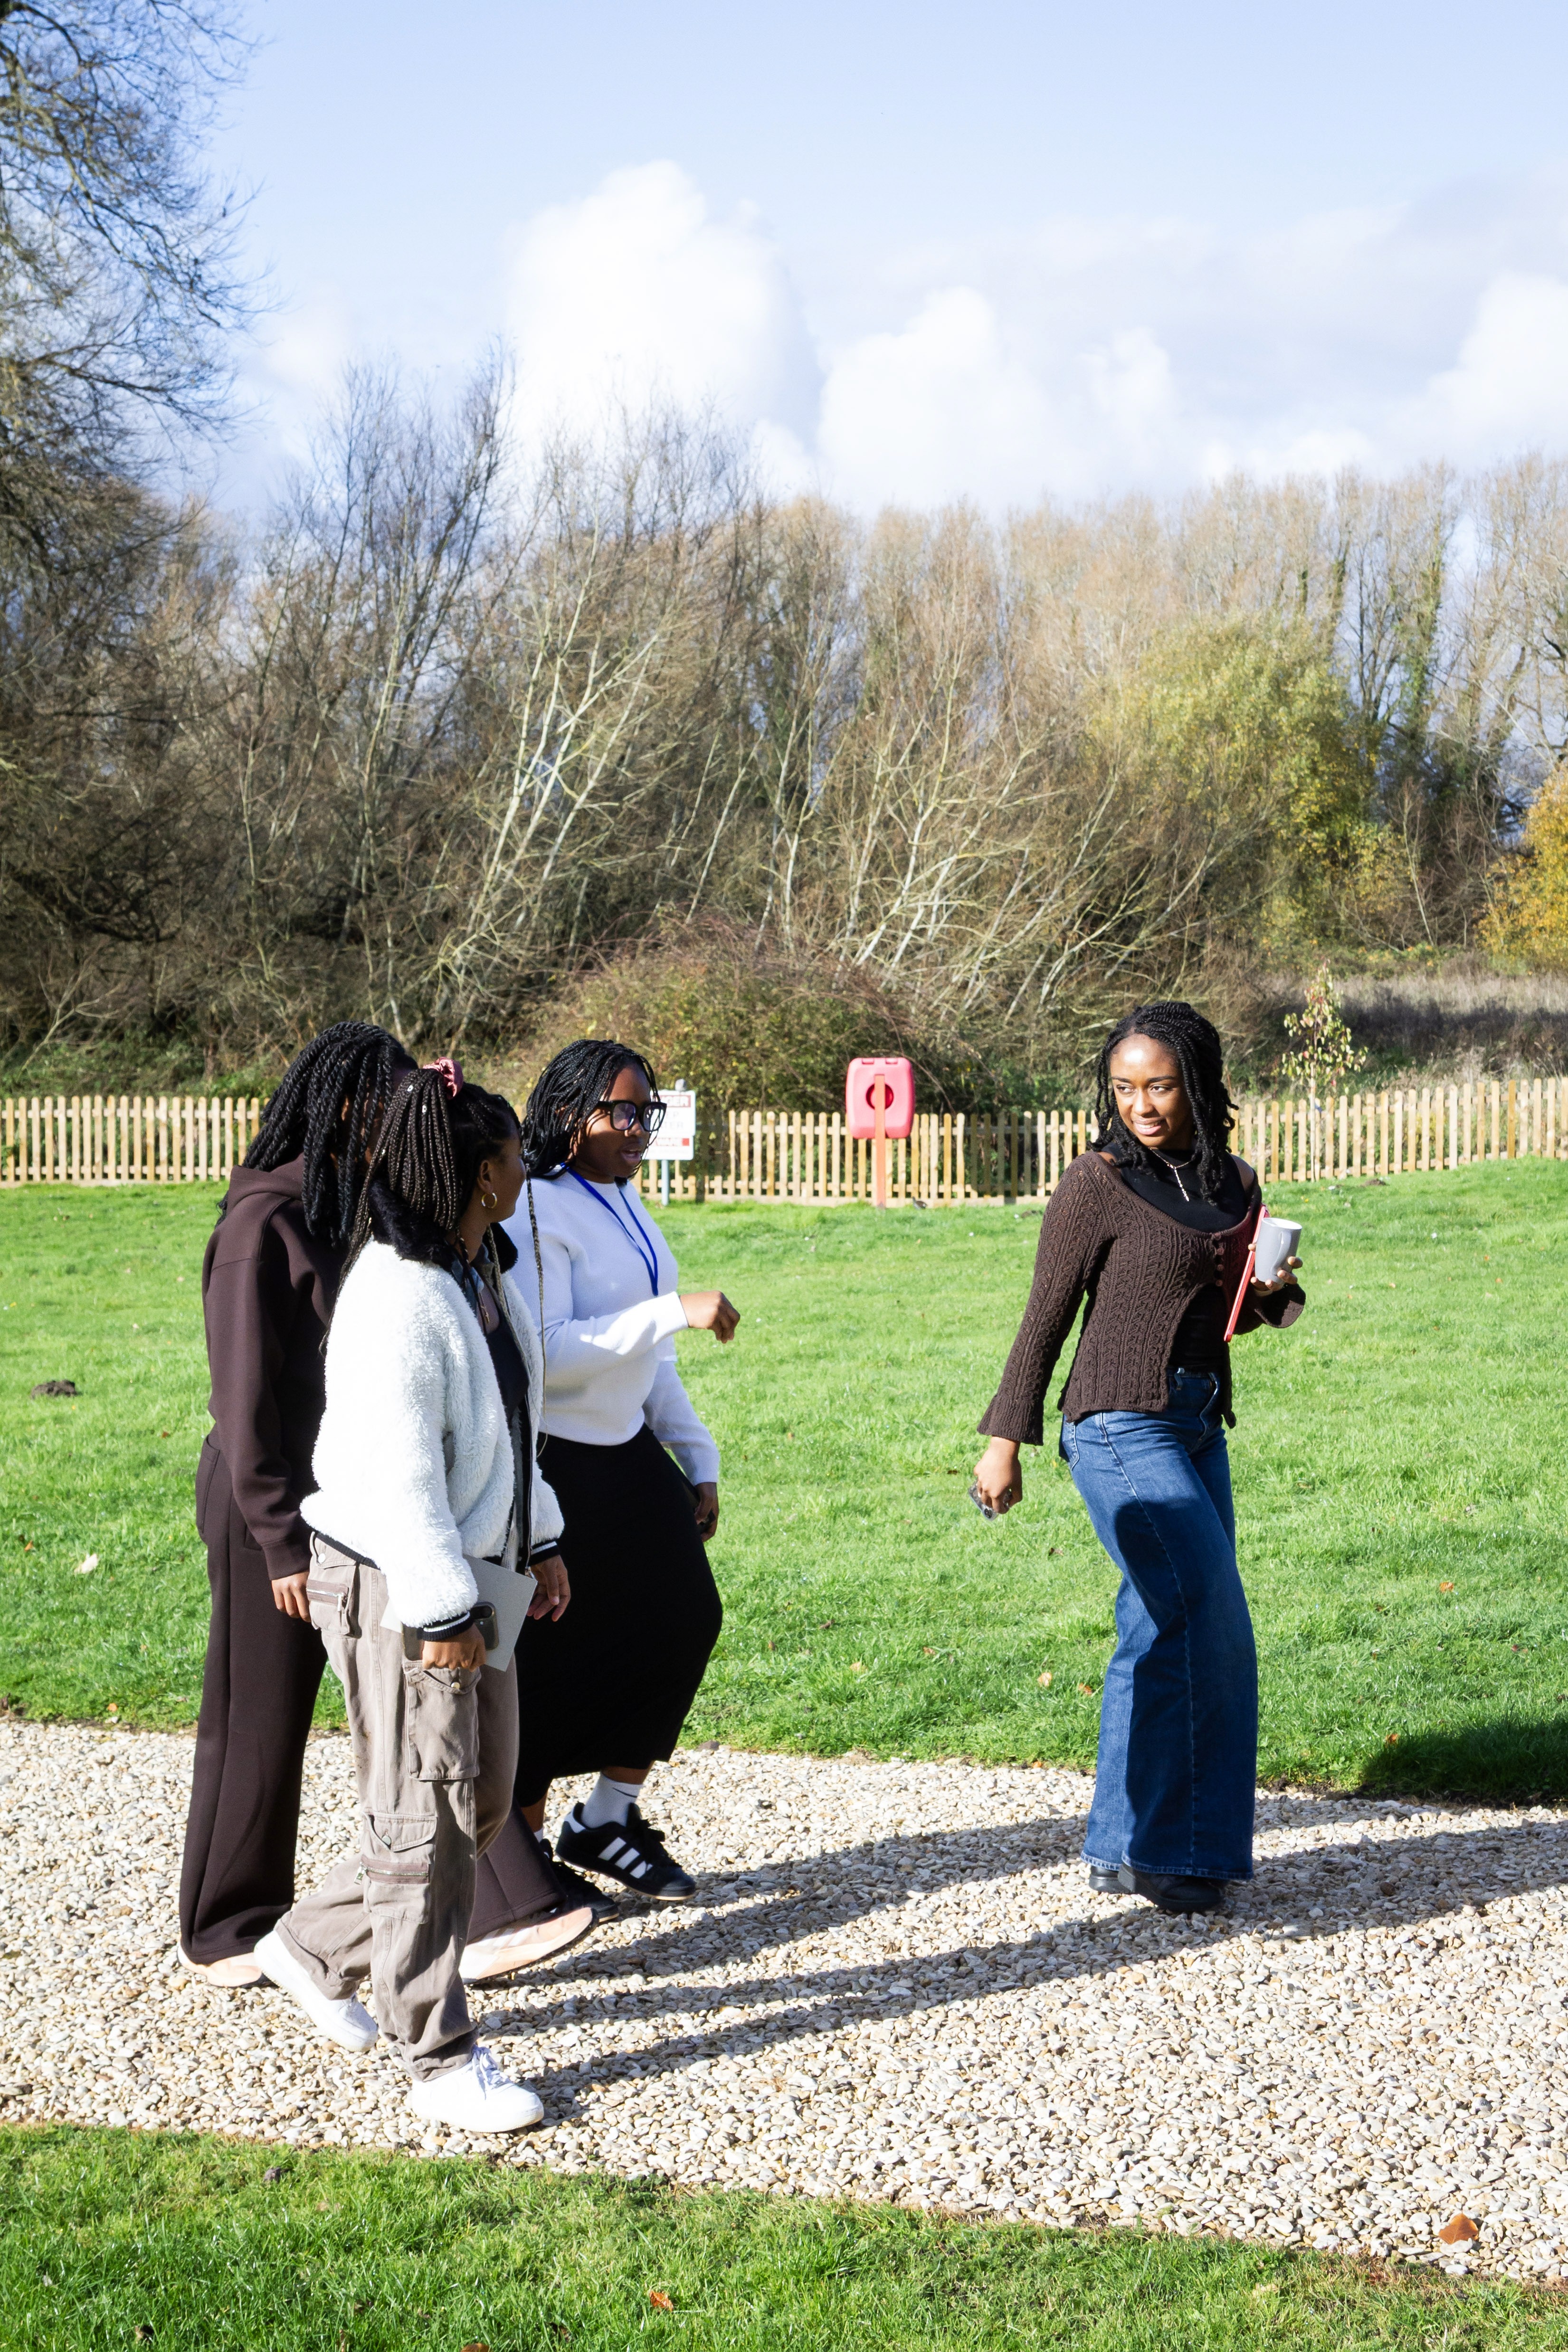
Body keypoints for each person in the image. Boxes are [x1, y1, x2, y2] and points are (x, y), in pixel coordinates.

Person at [254, 1064, 582, 2131]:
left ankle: (307, 1947)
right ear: (479, 1173)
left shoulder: (476, 1268)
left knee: (477, 1807)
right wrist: (440, 1613)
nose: (525, 1172)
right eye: (512, 1156)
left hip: (465, 1571)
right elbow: (399, 1476)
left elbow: (509, 1428)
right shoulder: (398, 1295)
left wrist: (540, 1542)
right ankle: (438, 2057)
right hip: (404, 1582)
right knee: (424, 1820)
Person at [970, 1000, 1304, 1917]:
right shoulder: (1096, 1182)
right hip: (1116, 1425)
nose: (1141, 1106)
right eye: (1124, 1089)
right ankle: (1175, 1854)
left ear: (1197, 1083)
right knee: (1207, 1616)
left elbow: (1225, 1305)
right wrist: (1005, 1442)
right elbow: (1044, 1316)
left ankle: (1119, 1846)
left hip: (1197, 1424)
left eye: (1158, 1086)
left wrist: (1274, 1293)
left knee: (1154, 1628)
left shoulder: (1234, 1181)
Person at [179, 1022, 415, 1986]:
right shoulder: (261, 1222)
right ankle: (226, 1922)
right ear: (347, 1105)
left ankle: (462, 1900)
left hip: (353, 1493)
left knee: (403, 1701)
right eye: (392, 1104)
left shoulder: (353, 1206)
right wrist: (280, 1544)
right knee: (259, 1715)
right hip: (267, 1504)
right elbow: (242, 1404)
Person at [481, 1038, 737, 1909]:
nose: (636, 1129)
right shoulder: (536, 1210)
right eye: (618, 1112)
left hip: (627, 1451)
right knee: (551, 1657)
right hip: (552, 1459)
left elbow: (649, 1352)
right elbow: (541, 1354)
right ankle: (518, 1865)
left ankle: (605, 1819)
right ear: (565, 1116)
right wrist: (671, 1309)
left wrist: (694, 1455)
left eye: (644, 1114)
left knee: (684, 1620)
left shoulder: (626, 1203)